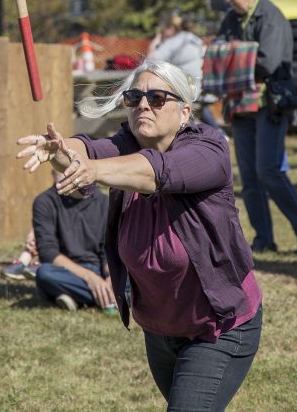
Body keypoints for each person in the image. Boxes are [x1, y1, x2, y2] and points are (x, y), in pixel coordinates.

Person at [15, 59, 262, 410]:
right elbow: (87, 149)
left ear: (184, 112)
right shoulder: (127, 145)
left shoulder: (209, 149)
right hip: (159, 331)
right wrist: (61, 150)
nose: (144, 104)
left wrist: (93, 170)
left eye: (158, 98)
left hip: (218, 327)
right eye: (135, 97)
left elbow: (157, 173)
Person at [214, 0, 297, 254]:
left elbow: (267, 62)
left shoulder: (270, 16)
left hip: (270, 103)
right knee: (248, 178)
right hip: (240, 105)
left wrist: (232, 57)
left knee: (268, 170)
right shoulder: (232, 18)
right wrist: (237, 55)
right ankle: (263, 239)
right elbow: (216, 51)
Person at [31, 175, 112, 311]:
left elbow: (108, 250)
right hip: (66, 272)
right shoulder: (45, 201)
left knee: (133, 276)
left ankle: (76, 296)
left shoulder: (105, 203)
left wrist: (112, 278)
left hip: (99, 270)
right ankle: (111, 297)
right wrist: (89, 277)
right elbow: (48, 253)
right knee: (44, 274)